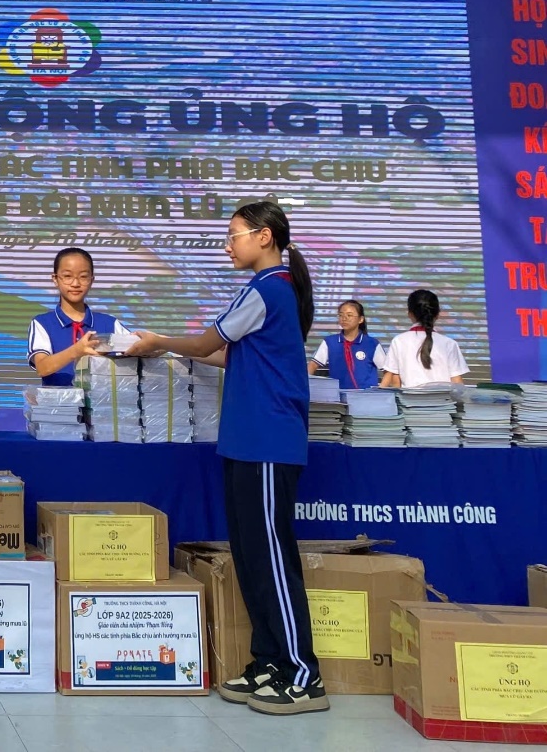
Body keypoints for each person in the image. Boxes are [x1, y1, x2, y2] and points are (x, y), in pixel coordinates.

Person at [125, 202, 326, 715]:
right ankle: (270, 661)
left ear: (264, 236)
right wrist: (168, 349)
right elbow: (225, 352)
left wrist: (160, 340)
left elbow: (207, 341)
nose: (228, 244)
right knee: (253, 557)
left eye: (234, 235)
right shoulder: (267, 289)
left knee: (272, 558)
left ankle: (303, 674)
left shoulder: (269, 288)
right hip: (246, 440)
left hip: (267, 442)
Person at [28, 247, 131, 386]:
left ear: (92, 280)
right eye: (67, 276)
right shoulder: (43, 323)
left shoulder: (109, 323)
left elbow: (138, 348)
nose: (75, 284)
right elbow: (42, 368)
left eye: (83, 277)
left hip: (101, 400)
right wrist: (77, 350)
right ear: (55, 279)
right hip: (60, 400)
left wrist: (153, 343)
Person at [380, 290, 468, 388]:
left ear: (410, 314)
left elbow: (395, 380)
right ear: (437, 314)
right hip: (442, 397)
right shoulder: (449, 343)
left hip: (410, 397)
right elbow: (456, 380)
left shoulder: (399, 341)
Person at [308, 300, 386, 389]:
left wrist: (380, 390)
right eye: (341, 315)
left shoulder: (372, 344)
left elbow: (388, 371)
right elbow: (313, 365)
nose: (344, 318)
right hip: (338, 394)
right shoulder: (330, 342)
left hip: (365, 395)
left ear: (361, 319)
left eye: (349, 315)